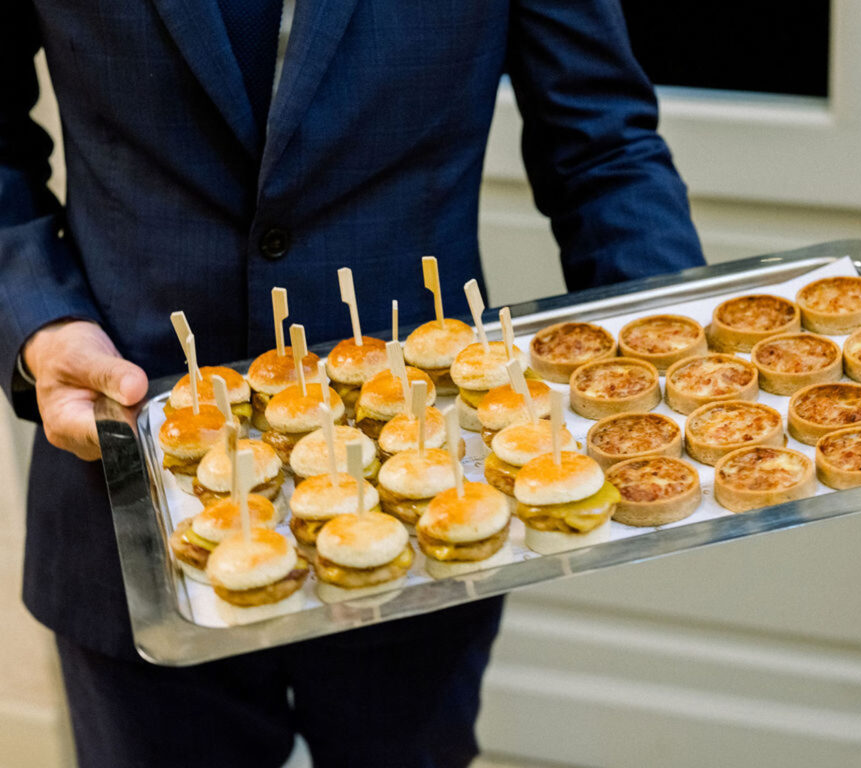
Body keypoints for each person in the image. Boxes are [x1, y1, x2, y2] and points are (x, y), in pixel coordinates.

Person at [0, 0, 704, 765]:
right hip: (126, 509)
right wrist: (41, 320)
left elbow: (601, 143)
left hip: (432, 518)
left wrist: (668, 362)